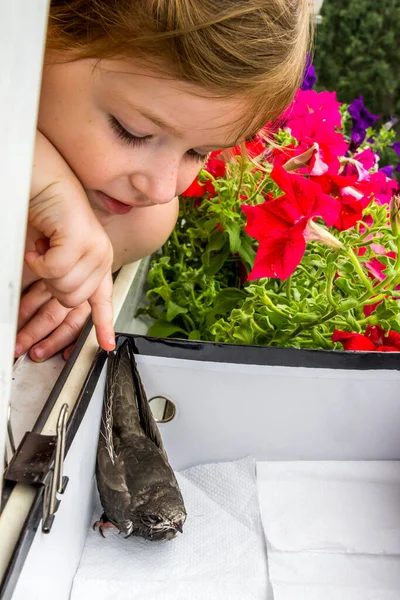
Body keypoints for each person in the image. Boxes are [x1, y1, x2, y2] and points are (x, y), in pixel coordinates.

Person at [16, 0, 311, 362]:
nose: (160, 189)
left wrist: (75, 286)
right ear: (38, 33)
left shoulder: (135, 225)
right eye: (133, 132)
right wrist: (47, 186)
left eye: (199, 153)